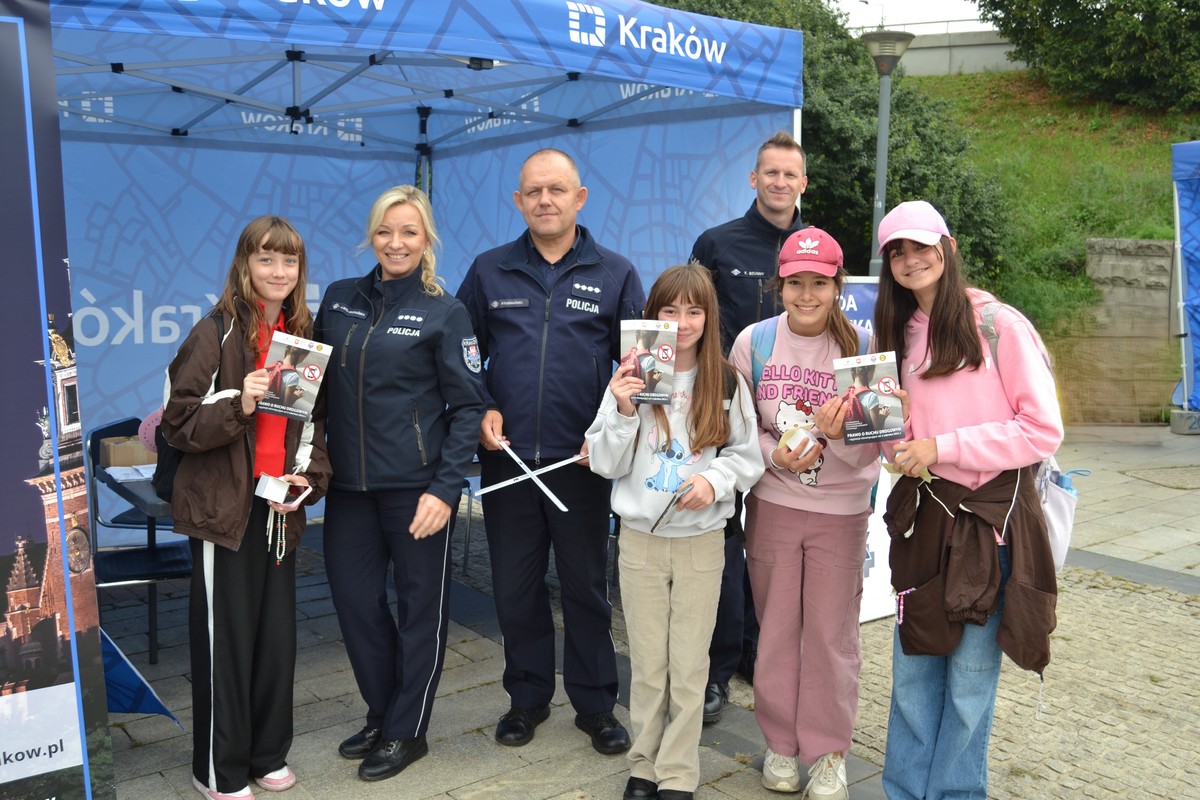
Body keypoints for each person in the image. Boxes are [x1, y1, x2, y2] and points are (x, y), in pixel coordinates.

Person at [455, 148, 644, 755]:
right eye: (533, 191)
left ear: (579, 198)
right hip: (507, 462)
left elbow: (640, 372)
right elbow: (459, 358)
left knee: (587, 589)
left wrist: (608, 435)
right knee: (516, 589)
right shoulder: (488, 270)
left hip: (581, 464)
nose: (545, 200)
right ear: (518, 201)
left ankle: (597, 704)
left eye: (557, 189)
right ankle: (527, 698)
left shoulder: (615, 274)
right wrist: (482, 405)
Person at [873, 200, 1063, 800]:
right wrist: (887, 433)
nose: (910, 260)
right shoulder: (897, 334)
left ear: (947, 249)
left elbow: (1042, 430)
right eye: (897, 252)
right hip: (923, 528)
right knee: (912, 677)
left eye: (920, 246)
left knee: (970, 685)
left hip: (989, 529)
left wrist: (943, 446)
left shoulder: (998, 325)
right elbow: (898, 448)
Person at [314, 185, 485, 782]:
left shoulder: (445, 312)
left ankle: (406, 730)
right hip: (349, 491)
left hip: (417, 492)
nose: (396, 243)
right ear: (371, 235)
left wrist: (444, 490)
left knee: (420, 613)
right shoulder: (339, 299)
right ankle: (382, 712)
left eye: (409, 232)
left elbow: (469, 408)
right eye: (385, 231)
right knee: (357, 606)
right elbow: (311, 386)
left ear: (426, 238)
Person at [162, 215, 331, 800]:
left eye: (289, 261)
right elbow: (178, 423)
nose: (278, 271)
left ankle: (266, 755)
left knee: (274, 642)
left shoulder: (300, 334)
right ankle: (218, 771)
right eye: (266, 258)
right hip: (223, 511)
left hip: (276, 508)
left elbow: (314, 428)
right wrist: (242, 402)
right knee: (226, 644)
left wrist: (309, 480)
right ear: (244, 264)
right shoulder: (214, 332)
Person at [586, 264, 763, 800]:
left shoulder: (726, 382)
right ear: (651, 315)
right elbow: (603, 461)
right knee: (648, 665)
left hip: (701, 544)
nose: (682, 322)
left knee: (688, 668)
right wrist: (622, 408)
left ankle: (679, 772)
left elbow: (747, 456)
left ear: (709, 318)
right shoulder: (632, 376)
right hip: (639, 540)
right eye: (669, 310)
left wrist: (713, 480)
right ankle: (644, 765)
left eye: (694, 311)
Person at [729, 227, 888, 799]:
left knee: (831, 637)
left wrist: (839, 437)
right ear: (780, 285)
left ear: (837, 285)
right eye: (795, 283)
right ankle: (780, 743)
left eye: (819, 283)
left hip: (841, 513)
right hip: (772, 504)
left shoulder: (863, 347)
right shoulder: (754, 342)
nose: (806, 295)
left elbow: (877, 444)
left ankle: (827, 753)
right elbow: (737, 427)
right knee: (775, 630)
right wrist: (773, 455)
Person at [688, 130, 809, 721]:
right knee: (725, 540)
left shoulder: (816, 248)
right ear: (753, 178)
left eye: (790, 174)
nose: (780, 182)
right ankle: (716, 670)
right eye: (771, 172)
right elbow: (690, 326)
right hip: (726, 418)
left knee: (776, 543)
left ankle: (759, 653)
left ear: (803, 183)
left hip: (795, 426)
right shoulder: (716, 244)